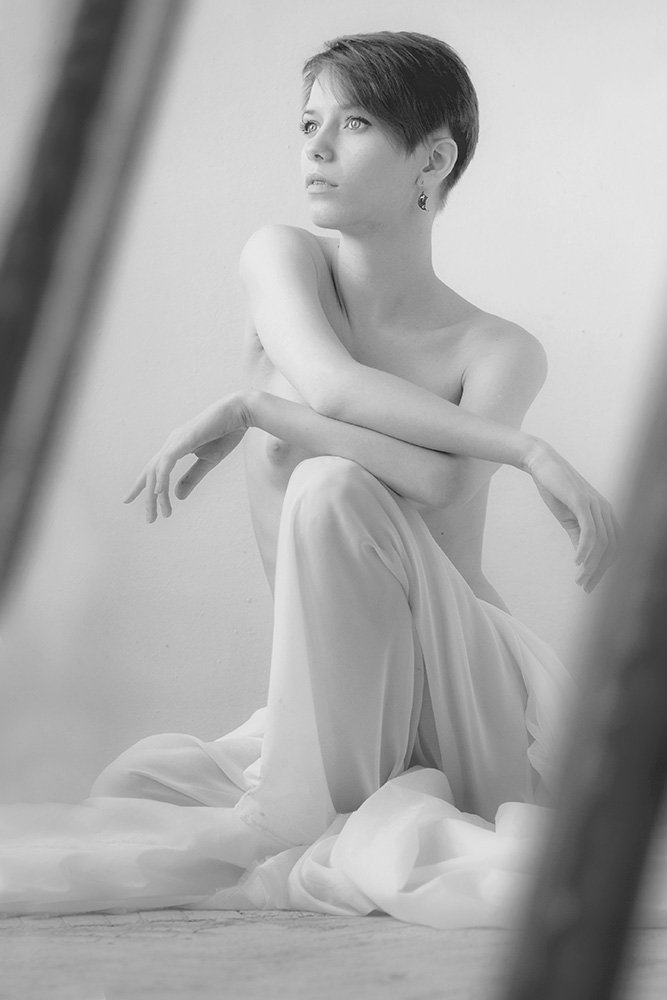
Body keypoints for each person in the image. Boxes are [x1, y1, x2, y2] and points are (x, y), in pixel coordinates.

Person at [0, 31, 620, 926]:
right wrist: (522, 451)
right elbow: (332, 383)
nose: (316, 148)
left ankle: (310, 807)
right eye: (308, 123)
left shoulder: (497, 349)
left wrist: (258, 409)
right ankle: (309, 798)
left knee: (330, 486)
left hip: (464, 699)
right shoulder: (280, 260)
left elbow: (438, 487)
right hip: (339, 706)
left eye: (354, 123)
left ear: (433, 160)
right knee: (134, 789)